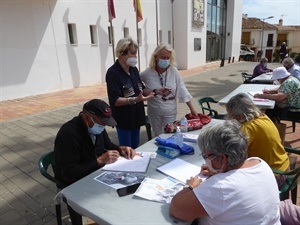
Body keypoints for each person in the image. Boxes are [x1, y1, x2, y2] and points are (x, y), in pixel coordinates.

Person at [169, 120, 281, 224]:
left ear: (222, 158)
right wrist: (217, 172)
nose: (205, 160)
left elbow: (177, 209)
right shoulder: (259, 163)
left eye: (205, 156)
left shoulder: (220, 187)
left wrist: (192, 187)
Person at [54, 99, 136, 225]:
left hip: (94, 173)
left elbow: (107, 144)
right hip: (75, 182)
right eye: (101, 123)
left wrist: (120, 149)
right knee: (111, 205)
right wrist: (99, 161)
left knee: (128, 192)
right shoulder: (69, 134)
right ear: (87, 118)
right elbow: (69, 174)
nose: (103, 127)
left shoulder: (95, 126)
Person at [225, 93, 289, 187]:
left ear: (237, 116)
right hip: (283, 166)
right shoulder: (263, 117)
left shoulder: (247, 128)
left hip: (274, 174)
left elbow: (234, 155)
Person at [140, 42, 198, 136]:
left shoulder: (173, 70)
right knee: (158, 137)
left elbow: (182, 88)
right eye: (163, 57)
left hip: (170, 111)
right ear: (156, 57)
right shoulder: (147, 73)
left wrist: (192, 109)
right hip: (154, 112)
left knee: (169, 135)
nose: (166, 60)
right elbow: (136, 85)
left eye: (168, 58)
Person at [106, 36, 154, 148]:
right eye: (133, 53)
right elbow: (115, 100)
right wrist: (135, 100)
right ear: (122, 54)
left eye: (136, 53)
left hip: (136, 117)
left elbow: (140, 89)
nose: (135, 56)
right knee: (127, 149)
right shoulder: (113, 73)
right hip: (124, 119)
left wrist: (156, 91)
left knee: (136, 147)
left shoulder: (133, 70)